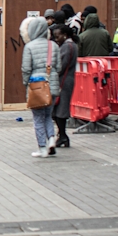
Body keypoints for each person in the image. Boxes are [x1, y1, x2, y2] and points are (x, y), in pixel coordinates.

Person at [20, 15, 59, 158]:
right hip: (51, 84)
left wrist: (26, 84)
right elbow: (58, 66)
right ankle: (52, 139)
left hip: (36, 86)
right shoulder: (53, 45)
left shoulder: (29, 46)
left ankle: (42, 148)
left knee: (38, 117)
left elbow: (26, 68)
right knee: (48, 115)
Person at [50, 23, 78, 153]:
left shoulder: (68, 46)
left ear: (65, 35)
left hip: (64, 81)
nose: (56, 39)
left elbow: (61, 64)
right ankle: (62, 135)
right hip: (66, 80)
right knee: (58, 109)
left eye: (58, 36)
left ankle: (63, 136)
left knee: (60, 109)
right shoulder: (70, 45)